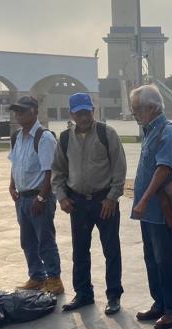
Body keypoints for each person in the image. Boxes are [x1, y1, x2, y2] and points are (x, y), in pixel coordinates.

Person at [52, 93, 127, 314]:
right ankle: (83, 293)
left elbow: (119, 168)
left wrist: (112, 197)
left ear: (93, 111)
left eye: (87, 112)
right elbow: (57, 170)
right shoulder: (65, 138)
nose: (84, 117)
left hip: (104, 201)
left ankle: (114, 295)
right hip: (78, 203)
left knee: (111, 249)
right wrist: (62, 196)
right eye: (79, 113)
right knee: (80, 251)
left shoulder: (106, 133)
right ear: (72, 114)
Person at [129, 85, 172, 329]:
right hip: (148, 212)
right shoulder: (149, 130)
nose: (135, 115)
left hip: (159, 210)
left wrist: (143, 200)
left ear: (152, 108)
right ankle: (160, 303)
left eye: (137, 110)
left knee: (166, 259)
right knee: (152, 258)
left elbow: (163, 170)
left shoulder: (167, 132)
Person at [7, 96, 64, 294]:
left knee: (45, 239)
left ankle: (54, 278)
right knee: (27, 240)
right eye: (17, 111)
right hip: (22, 197)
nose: (18, 115)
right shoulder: (17, 136)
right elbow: (15, 164)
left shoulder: (44, 137)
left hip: (39, 198)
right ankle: (36, 276)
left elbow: (50, 171)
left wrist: (41, 197)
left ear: (34, 112)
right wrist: (12, 185)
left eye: (22, 111)